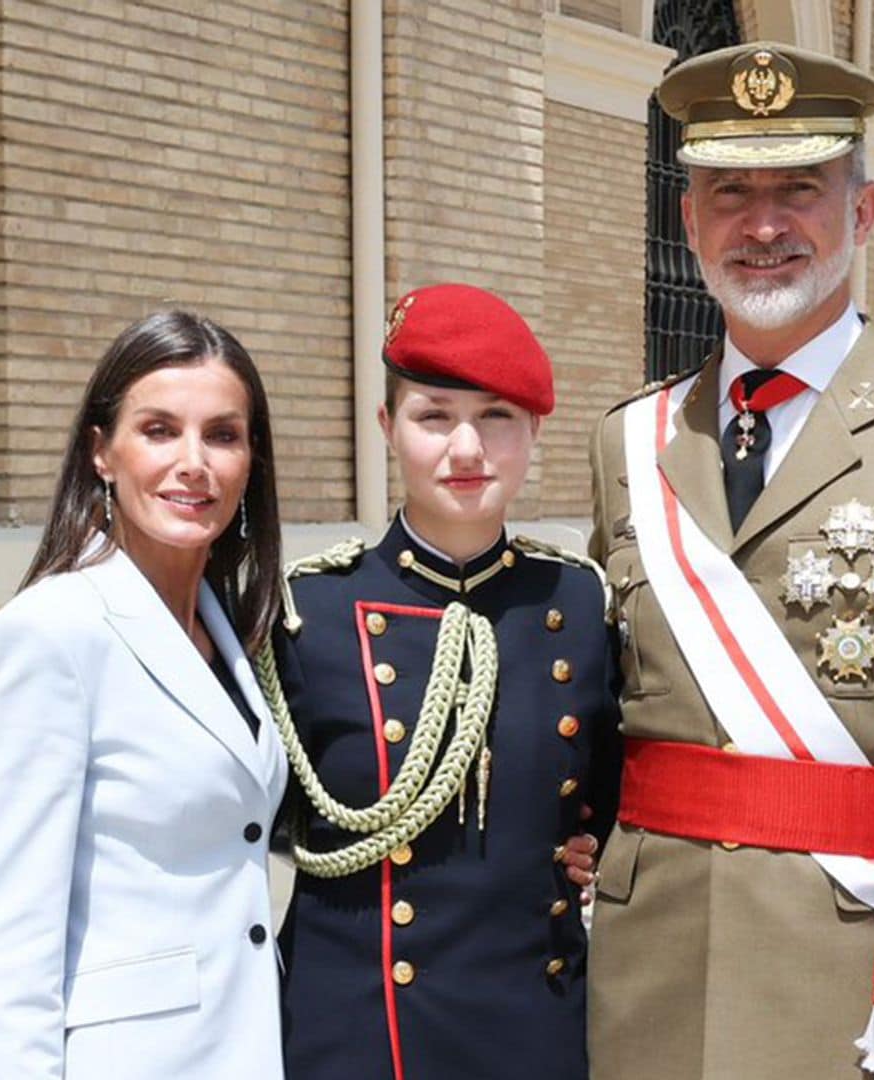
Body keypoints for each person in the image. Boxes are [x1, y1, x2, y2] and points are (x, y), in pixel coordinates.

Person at [586, 42, 874, 1080]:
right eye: (729, 192)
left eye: (801, 189)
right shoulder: (631, 442)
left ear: (865, 213)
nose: (765, 225)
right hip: (648, 990)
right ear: (687, 220)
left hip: (866, 990)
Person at [258, 282, 621, 1079]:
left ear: (534, 431)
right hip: (355, 1034)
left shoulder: (581, 602)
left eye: (496, 417)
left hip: (538, 1027)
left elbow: (618, 795)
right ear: (388, 428)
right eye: (434, 416)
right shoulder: (304, 610)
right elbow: (259, 826)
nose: (467, 449)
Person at [0, 311, 288, 1079]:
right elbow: (6, 935)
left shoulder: (235, 631)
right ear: (103, 452)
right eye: (160, 430)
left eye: (223, 435)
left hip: (250, 1048)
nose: (193, 462)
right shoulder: (50, 633)